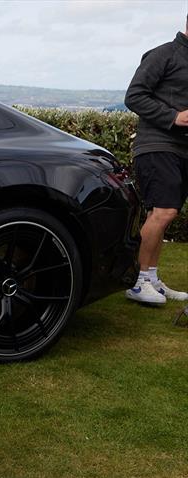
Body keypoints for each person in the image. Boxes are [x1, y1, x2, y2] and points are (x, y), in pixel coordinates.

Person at [123, 15, 188, 305]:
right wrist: (173, 117)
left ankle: (151, 279)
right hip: (156, 145)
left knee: (160, 216)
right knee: (164, 212)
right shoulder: (164, 54)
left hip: (181, 150)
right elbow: (134, 95)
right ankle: (138, 282)